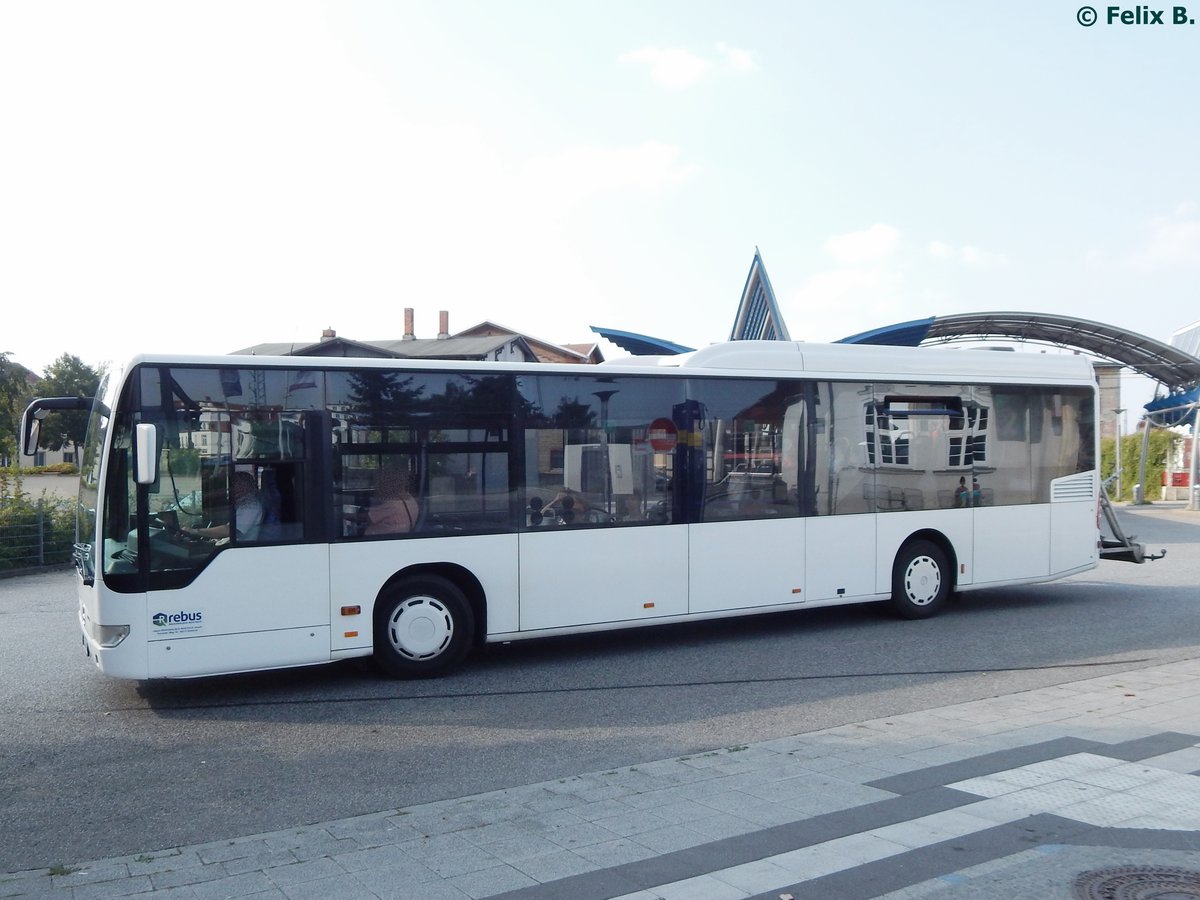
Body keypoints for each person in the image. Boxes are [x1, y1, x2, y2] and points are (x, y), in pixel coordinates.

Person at [187, 471, 264, 540]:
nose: (230, 488)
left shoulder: (251, 506)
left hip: (240, 550)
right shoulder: (241, 501)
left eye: (235, 484)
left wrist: (195, 531)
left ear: (244, 487)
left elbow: (230, 530)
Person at [365, 467, 419, 535]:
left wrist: (348, 516)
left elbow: (368, 518)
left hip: (380, 539)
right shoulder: (410, 499)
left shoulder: (393, 505)